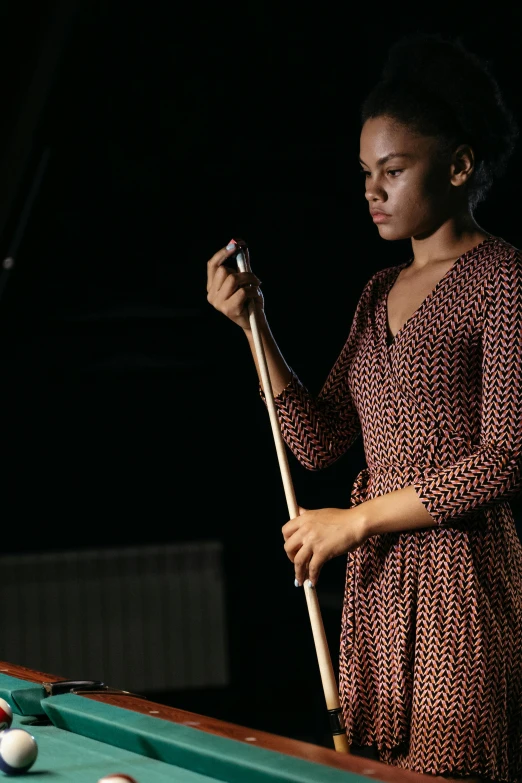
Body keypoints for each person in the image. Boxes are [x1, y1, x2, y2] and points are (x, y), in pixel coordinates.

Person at [206, 31, 522, 783]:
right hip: (379, 591)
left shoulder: (504, 277)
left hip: (462, 586)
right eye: (364, 173)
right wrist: (256, 330)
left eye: (394, 170)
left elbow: (505, 461)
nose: (372, 190)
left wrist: (354, 520)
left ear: (458, 165)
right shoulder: (377, 291)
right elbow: (318, 441)